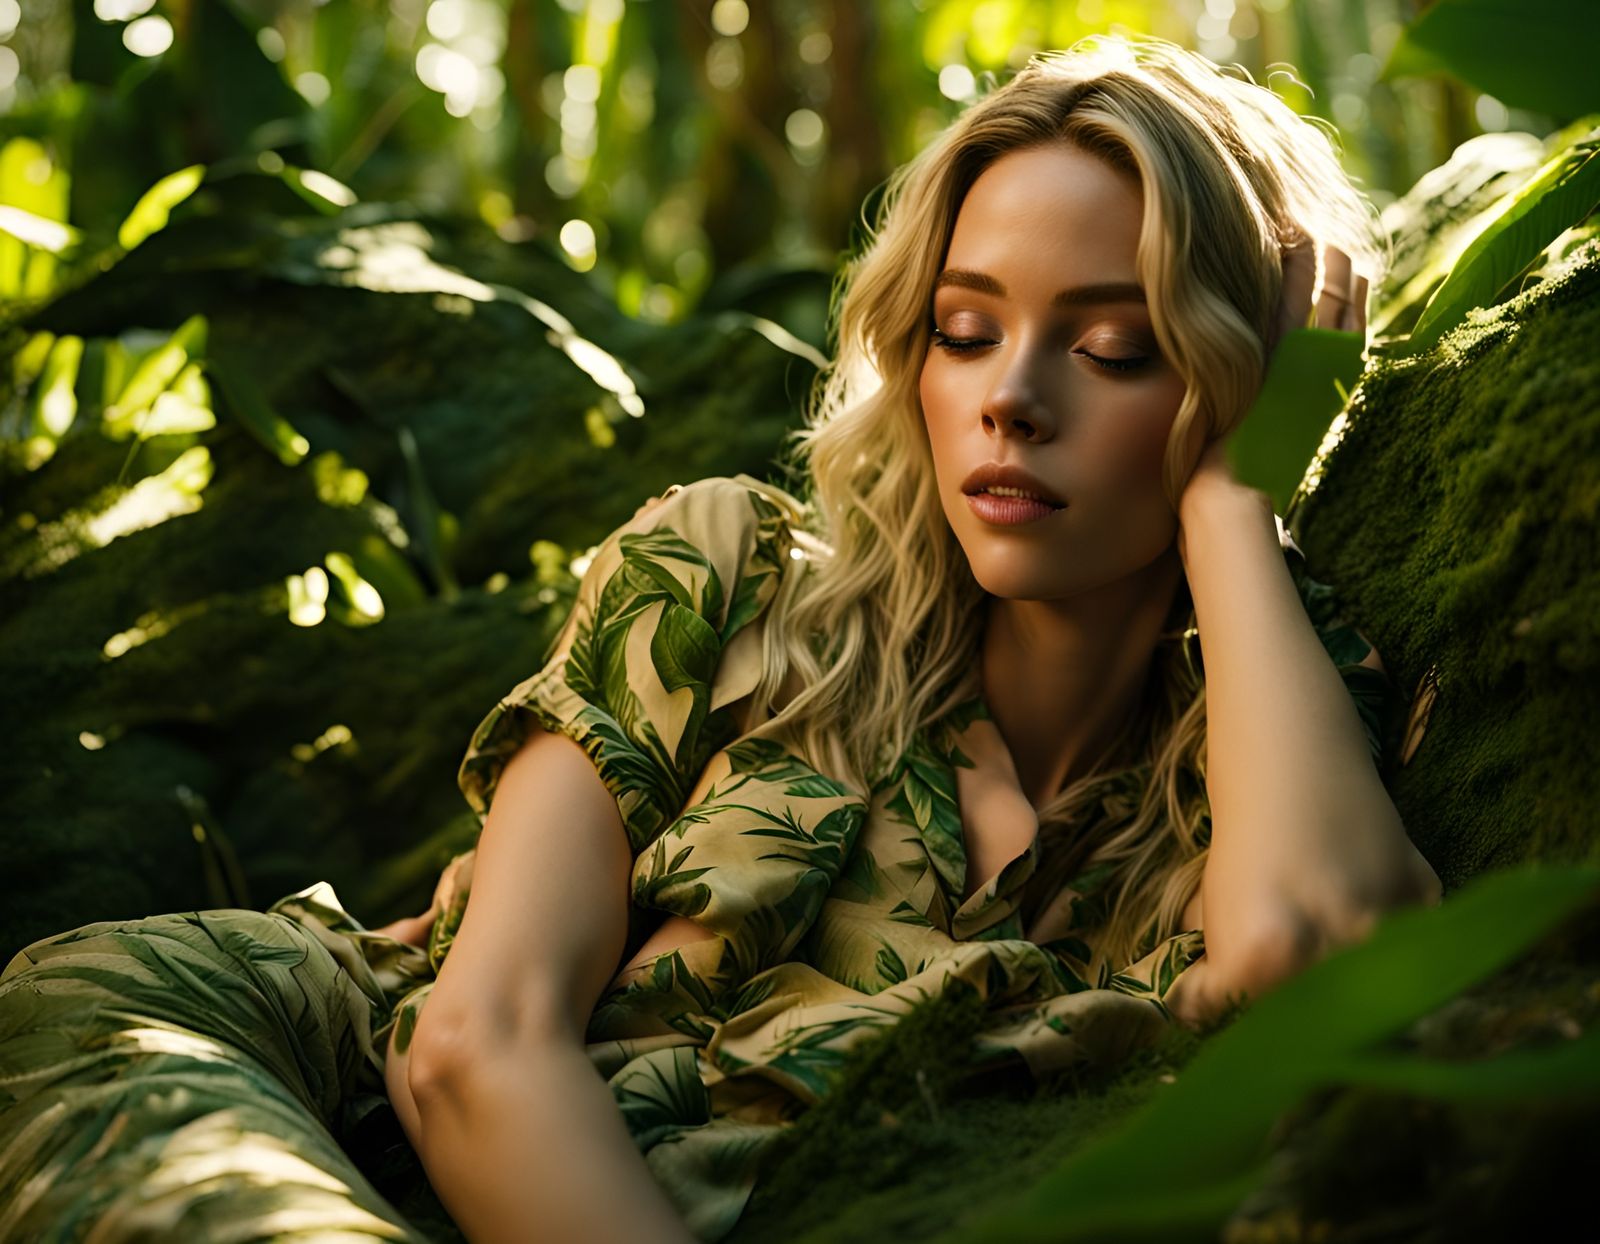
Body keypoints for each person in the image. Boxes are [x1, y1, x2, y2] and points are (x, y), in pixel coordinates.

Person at [0, 32, 1442, 1244]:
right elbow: (470, 1045)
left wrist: (1232, 507)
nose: (1011, 397)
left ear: (1242, 383)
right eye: (962, 328)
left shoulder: (1262, 719)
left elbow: (1327, 955)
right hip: (273, 1072)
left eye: (1115, 346)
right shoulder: (728, 571)